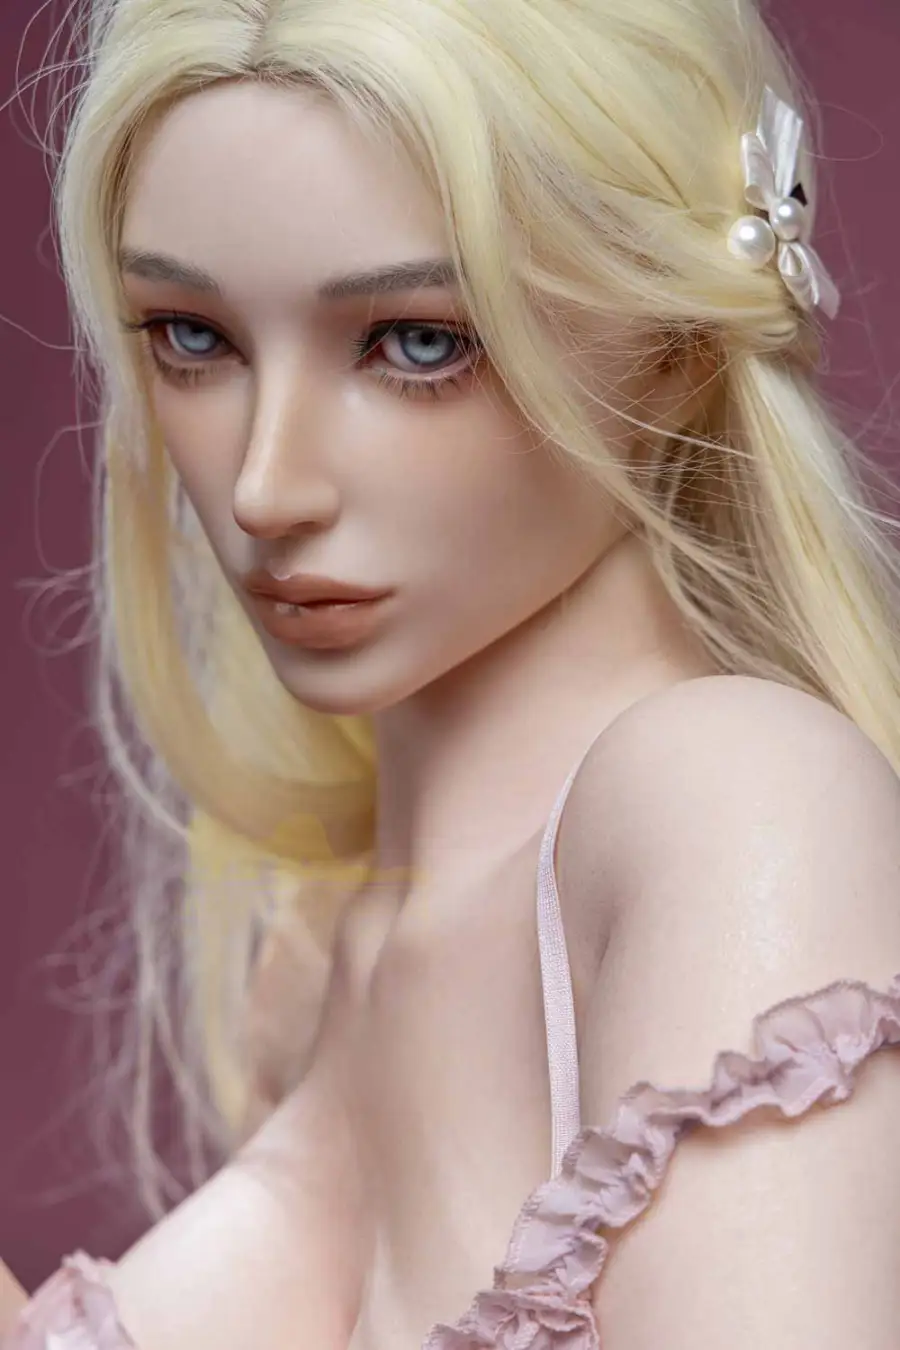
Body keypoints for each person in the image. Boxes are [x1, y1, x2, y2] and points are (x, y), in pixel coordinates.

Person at [4, 0, 900, 1345]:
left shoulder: (729, 802)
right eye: (191, 336)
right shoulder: (306, 971)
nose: (264, 487)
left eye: (418, 341)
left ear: (671, 349)